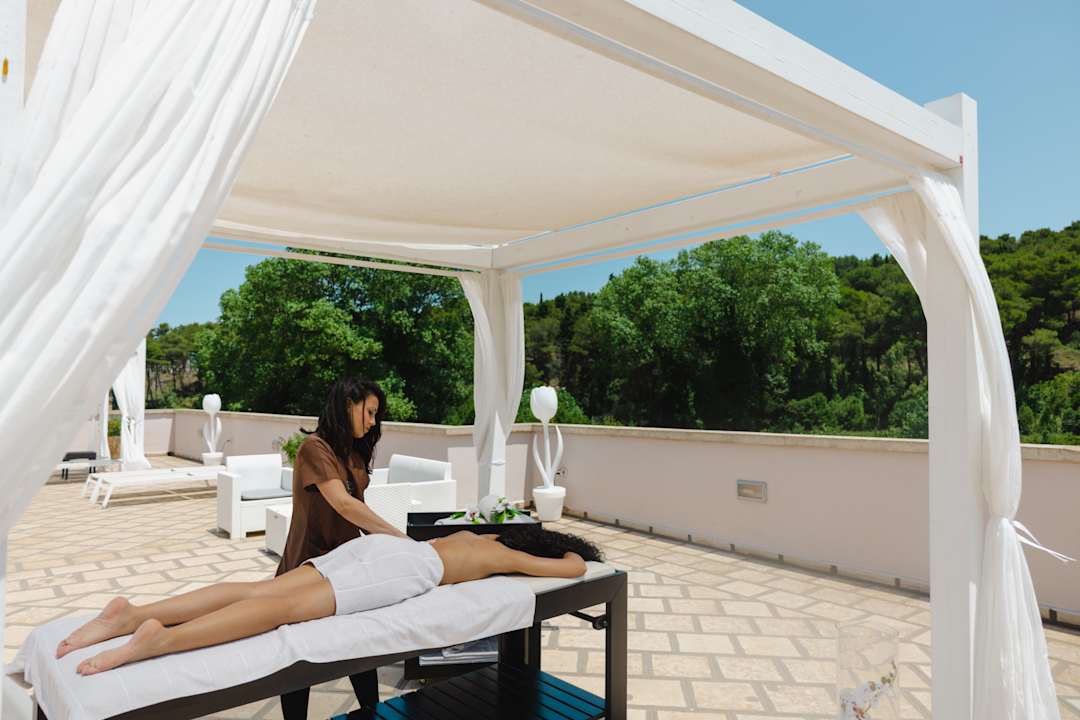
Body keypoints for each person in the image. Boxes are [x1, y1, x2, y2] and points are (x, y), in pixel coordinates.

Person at [55, 526, 604, 675]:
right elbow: (572, 568)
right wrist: (569, 550)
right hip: (408, 568)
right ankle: (161, 641)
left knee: (260, 590)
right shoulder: (502, 554)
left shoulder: (473, 535)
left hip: (383, 548)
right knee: (281, 612)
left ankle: (132, 615)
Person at [276, 376, 405, 717]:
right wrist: (403, 541)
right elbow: (344, 504)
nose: (373, 422)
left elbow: (358, 513)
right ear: (349, 404)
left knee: (361, 651)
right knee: (300, 662)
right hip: (307, 570)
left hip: (346, 570)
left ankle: (371, 713)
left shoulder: (354, 453)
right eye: (369, 412)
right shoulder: (314, 449)